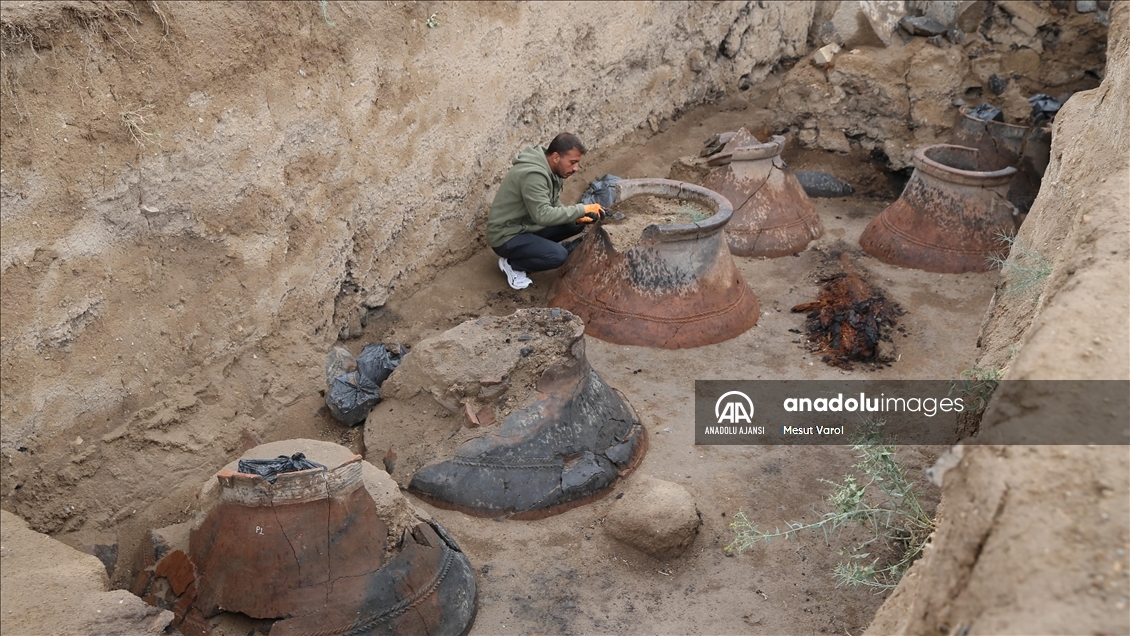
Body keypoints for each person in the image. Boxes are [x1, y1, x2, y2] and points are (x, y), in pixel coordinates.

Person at [486, 132, 606, 290]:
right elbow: (542, 215)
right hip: (506, 236)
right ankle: (513, 265)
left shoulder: (551, 170)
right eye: (572, 162)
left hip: (525, 226)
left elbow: (554, 205)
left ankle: (537, 248)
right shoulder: (533, 175)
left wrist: (579, 216)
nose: (576, 168)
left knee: (574, 224)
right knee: (558, 256)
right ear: (556, 157)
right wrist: (581, 208)